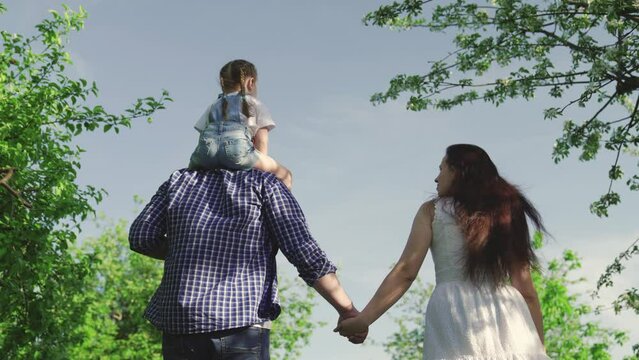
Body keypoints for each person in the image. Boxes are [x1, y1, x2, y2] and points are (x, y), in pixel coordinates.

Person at [335, 144, 549, 360]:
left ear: (457, 170)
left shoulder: (432, 211)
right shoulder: (507, 212)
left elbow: (406, 271)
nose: (436, 178)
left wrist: (365, 319)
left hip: (456, 312)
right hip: (511, 316)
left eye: (441, 169)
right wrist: (540, 349)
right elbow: (527, 291)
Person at [129, 168, 365, 359]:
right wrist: (347, 310)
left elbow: (142, 237)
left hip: (180, 329)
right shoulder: (265, 184)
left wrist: (193, 248)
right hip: (240, 326)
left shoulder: (179, 181)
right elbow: (303, 252)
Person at [189, 59, 292, 189]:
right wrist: (260, 167)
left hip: (206, 153)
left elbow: (203, 135)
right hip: (238, 153)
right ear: (251, 82)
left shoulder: (213, 106)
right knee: (286, 175)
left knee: (189, 175)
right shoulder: (255, 104)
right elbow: (262, 141)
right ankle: (277, 206)